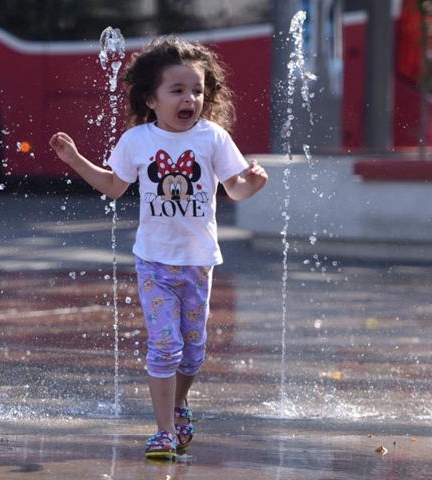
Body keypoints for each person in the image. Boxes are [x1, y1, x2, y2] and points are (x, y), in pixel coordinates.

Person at [49, 35, 268, 460]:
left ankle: (181, 403)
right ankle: (164, 430)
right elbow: (114, 187)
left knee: (193, 348)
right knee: (165, 345)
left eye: (198, 91)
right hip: (153, 260)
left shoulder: (213, 138)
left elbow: (235, 189)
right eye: (178, 90)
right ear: (151, 98)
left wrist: (254, 184)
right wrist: (76, 159)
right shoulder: (137, 141)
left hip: (198, 262)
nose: (190, 99)